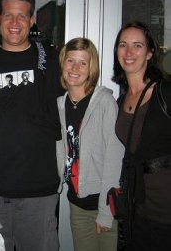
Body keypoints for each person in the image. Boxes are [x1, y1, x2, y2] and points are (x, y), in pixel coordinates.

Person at [0, 0, 62, 251]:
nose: (14, 23)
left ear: (32, 20)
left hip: (39, 189)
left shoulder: (51, 60)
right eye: (8, 15)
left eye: (22, 16)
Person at [56, 37, 124, 251]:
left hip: (102, 204)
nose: (75, 68)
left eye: (82, 63)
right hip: (77, 204)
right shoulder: (60, 104)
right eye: (70, 61)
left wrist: (105, 212)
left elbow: (115, 158)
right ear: (63, 63)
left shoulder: (105, 103)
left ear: (91, 68)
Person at [112, 21, 171, 251]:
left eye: (137, 45)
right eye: (123, 45)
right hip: (137, 209)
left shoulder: (165, 93)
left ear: (149, 53)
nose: (128, 52)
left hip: (166, 209)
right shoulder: (121, 100)